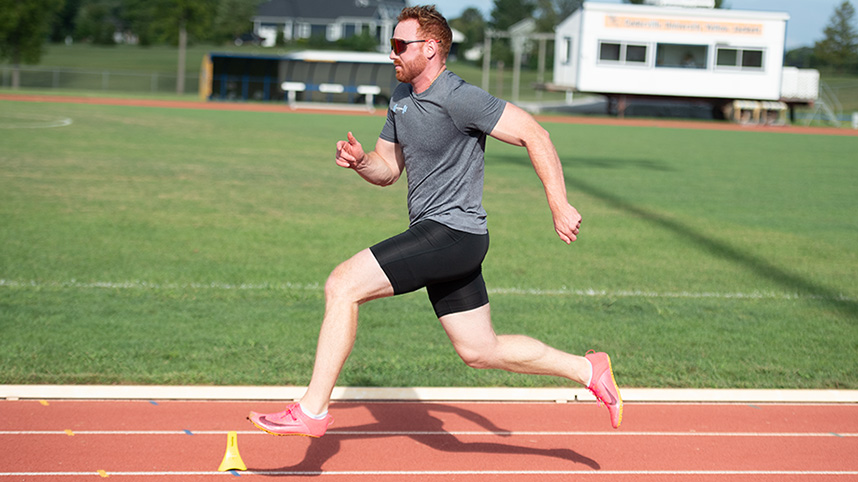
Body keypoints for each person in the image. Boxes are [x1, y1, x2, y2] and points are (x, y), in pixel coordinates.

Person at [248, 5, 622, 437]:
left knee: (342, 284)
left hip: (454, 232)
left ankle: (312, 409)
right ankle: (588, 369)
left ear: (430, 49)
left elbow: (535, 134)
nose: (392, 54)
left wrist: (559, 204)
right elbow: (388, 169)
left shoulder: (459, 96)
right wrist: (360, 162)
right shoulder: (400, 99)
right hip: (442, 237)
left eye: (398, 45)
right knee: (480, 349)